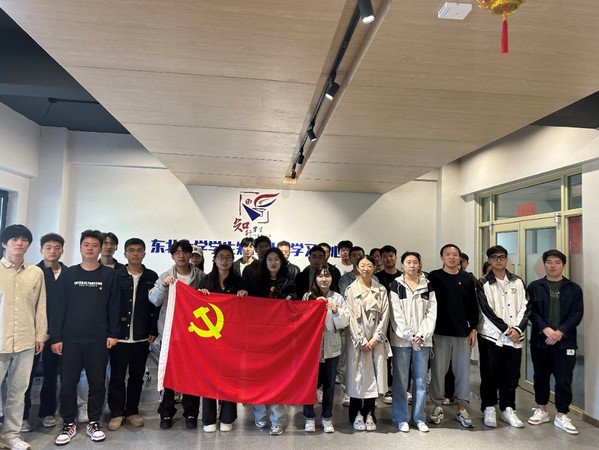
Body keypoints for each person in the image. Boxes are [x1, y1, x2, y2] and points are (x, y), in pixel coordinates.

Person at [50, 229, 120, 446]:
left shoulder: (109, 276)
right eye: (86, 245)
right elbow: (58, 308)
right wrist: (56, 337)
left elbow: (114, 307)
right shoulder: (68, 274)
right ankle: (68, 422)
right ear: (80, 248)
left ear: (101, 249)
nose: (90, 248)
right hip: (70, 339)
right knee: (68, 383)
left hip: (98, 339)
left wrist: (113, 333)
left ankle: (94, 422)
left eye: (95, 245)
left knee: (97, 382)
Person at [526, 249, 583, 435]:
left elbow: (577, 314)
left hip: (565, 342)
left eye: (557, 262)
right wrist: (546, 329)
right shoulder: (535, 287)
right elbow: (531, 311)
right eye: (549, 262)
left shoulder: (574, 288)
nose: (553, 265)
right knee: (540, 376)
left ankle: (561, 414)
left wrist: (559, 332)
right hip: (540, 341)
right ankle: (541, 410)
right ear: (544, 264)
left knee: (563, 379)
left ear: (563, 265)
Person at [0, 224, 47, 450]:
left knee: (18, 392)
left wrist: (40, 336)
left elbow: (40, 306)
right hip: (0, 340)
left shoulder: (35, 273)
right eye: (14, 239)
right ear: (4, 243)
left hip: (26, 341)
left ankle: (11, 435)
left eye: (24, 239)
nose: (19, 243)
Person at [149, 239, 204, 430]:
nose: (181, 256)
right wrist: (163, 286)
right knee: (168, 373)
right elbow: (154, 300)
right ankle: (166, 413)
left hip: (194, 334)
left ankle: (191, 412)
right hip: (170, 333)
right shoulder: (166, 276)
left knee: (192, 374)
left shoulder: (201, 277)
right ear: (172, 256)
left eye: (185, 252)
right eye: (177, 253)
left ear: (190, 255)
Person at [107, 238, 159, 431]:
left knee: (137, 377)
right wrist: (111, 331)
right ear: (125, 254)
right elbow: (110, 306)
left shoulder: (151, 276)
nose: (135, 254)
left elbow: (155, 306)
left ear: (144, 253)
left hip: (141, 336)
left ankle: (132, 412)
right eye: (131, 250)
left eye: (139, 250)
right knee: (117, 377)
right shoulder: (116, 275)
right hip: (119, 336)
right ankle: (116, 413)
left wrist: (153, 330)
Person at [477, 245, 530, 428]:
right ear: (489, 261)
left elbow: (526, 306)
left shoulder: (517, 281)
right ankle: (489, 407)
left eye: (502, 257)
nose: (499, 260)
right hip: (492, 337)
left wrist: (518, 329)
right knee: (490, 374)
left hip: (515, 337)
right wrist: (507, 330)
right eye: (495, 257)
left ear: (507, 259)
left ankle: (508, 408)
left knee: (511, 375)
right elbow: (486, 310)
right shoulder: (483, 283)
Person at [198, 244, 248, 433]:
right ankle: (208, 418)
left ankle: (227, 417)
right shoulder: (206, 280)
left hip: (232, 338)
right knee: (209, 376)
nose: (224, 261)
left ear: (232, 260)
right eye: (221, 257)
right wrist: (201, 295)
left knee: (229, 376)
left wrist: (244, 295)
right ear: (214, 259)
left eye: (228, 257)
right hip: (210, 338)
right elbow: (196, 306)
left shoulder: (239, 281)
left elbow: (248, 309)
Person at [427, 244, 478, 428]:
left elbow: (473, 305)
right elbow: (428, 305)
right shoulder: (434, 277)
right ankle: (437, 406)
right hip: (439, 332)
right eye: (447, 254)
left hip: (462, 333)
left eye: (455, 254)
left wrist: (474, 328)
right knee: (438, 372)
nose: (451, 257)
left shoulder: (467, 279)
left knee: (463, 372)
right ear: (442, 257)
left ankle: (462, 408)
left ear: (459, 258)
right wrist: (430, 330)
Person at [248, 247, 296, 436]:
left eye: (277, 259)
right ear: (264, 262)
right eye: (270, 259)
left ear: (281, 262)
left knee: (279, 381)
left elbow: (297, 308)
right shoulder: (256, 283)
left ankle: (278, 420)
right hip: (259, 338)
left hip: (281, 340)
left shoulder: (289, 282)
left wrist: (292, 300)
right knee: (258, 378)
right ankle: (260, 416)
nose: (273, 262)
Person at [22, 233, 67, 432]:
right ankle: (23, 416)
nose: (52, 251)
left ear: (62, 250)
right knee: (26, 376)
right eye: (48, 247)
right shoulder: (32, 272)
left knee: (51, 374)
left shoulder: (68, 273)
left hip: (59, 334)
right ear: (41, 250)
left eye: (57, 248)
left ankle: (47, 412)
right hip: (33, 333)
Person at [389, 252, 437, 433]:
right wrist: (410, 335)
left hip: (423, 341)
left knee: (421, 380)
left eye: (415, 262)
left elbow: (432, 312)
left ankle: (419, 417)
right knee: (401, 380)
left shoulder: (427, 285)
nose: (412, 265)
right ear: (402, 265)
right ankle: (401, 417)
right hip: (401, 340)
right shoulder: (396, 285)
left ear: (419, 264)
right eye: (408, 262)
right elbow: (395, 314)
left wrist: (422, 335)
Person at [342, 255, 389, 432]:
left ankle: (369, 413)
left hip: (375, 341)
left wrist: (376, 338)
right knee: (357, 378)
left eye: (369, 265)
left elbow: (385, 316)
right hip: (357, 341)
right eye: (362, 265)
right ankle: (355, 414)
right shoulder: (350, 290)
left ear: (374, 267)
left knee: (373, 377)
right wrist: (361, 339)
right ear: (357, 267)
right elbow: (349, 317)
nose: (366, 269)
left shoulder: (381, 290)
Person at [301, 265, 349, 433]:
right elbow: (302, 322)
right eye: (320, 276)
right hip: (312, 349)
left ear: (332, 278)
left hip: (331, 348)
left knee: (329, 385)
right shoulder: (308, 296)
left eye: (327, 276)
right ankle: (309, 417)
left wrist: (335, 310)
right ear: (315, 278)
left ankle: (327, 417)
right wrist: (314, 305)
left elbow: (343, 323)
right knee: (310, 384)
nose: (324, 279)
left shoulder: (338, 298)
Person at [374, 244, 402, 405]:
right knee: (386, 357)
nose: (388, 259)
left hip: (400, 323)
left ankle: (403, 388)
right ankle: (388, 388)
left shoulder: (402, 277)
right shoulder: (377, 278)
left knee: (402, 357)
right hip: (383, 322)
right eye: (384, 256)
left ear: (396, 257)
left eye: (391, 255)